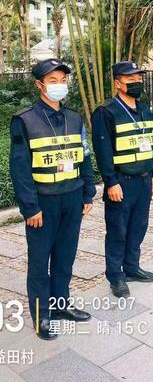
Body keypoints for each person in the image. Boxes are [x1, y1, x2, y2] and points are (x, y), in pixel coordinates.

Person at [10, 58, 96, 340]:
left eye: (62, 80)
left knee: (65, 258)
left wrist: (87, 192)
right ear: (39, 85)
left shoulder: (74, 117)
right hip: (43, 205)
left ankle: (61, 306)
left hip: (72, 199)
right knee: (39, 262)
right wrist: (29, 207)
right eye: (52, 81)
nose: (59, 86)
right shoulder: (25, 120)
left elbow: (83, 155)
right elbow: (19, 168)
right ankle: (42, 316)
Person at [91, 61, 153, 298]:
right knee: (118, 230)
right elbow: (103, 150)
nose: (136, 83)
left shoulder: (144, 109)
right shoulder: (106, 112)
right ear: (118, 83)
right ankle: (116, 276)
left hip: (143, 180)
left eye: (138, 79)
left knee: (138, 226)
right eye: (131, 80)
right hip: (122, 181)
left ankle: (131, 267)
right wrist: (110, 181)